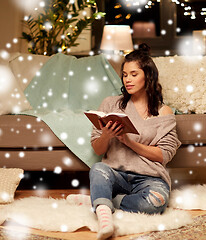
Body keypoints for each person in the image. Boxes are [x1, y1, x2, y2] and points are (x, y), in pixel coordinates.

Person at [67, 43, 181, 239]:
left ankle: (101, 200)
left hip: (150, 178)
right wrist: (107, 135)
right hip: (115, 174)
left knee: (157, 202)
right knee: (98, 169)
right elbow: (97, 148)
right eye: (125, 74)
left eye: (134, 74)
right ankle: (105, 220)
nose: (127, 79)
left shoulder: (164, 111)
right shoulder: (111, 104)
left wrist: (128, 142)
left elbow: (164, 155)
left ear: (148, 76)